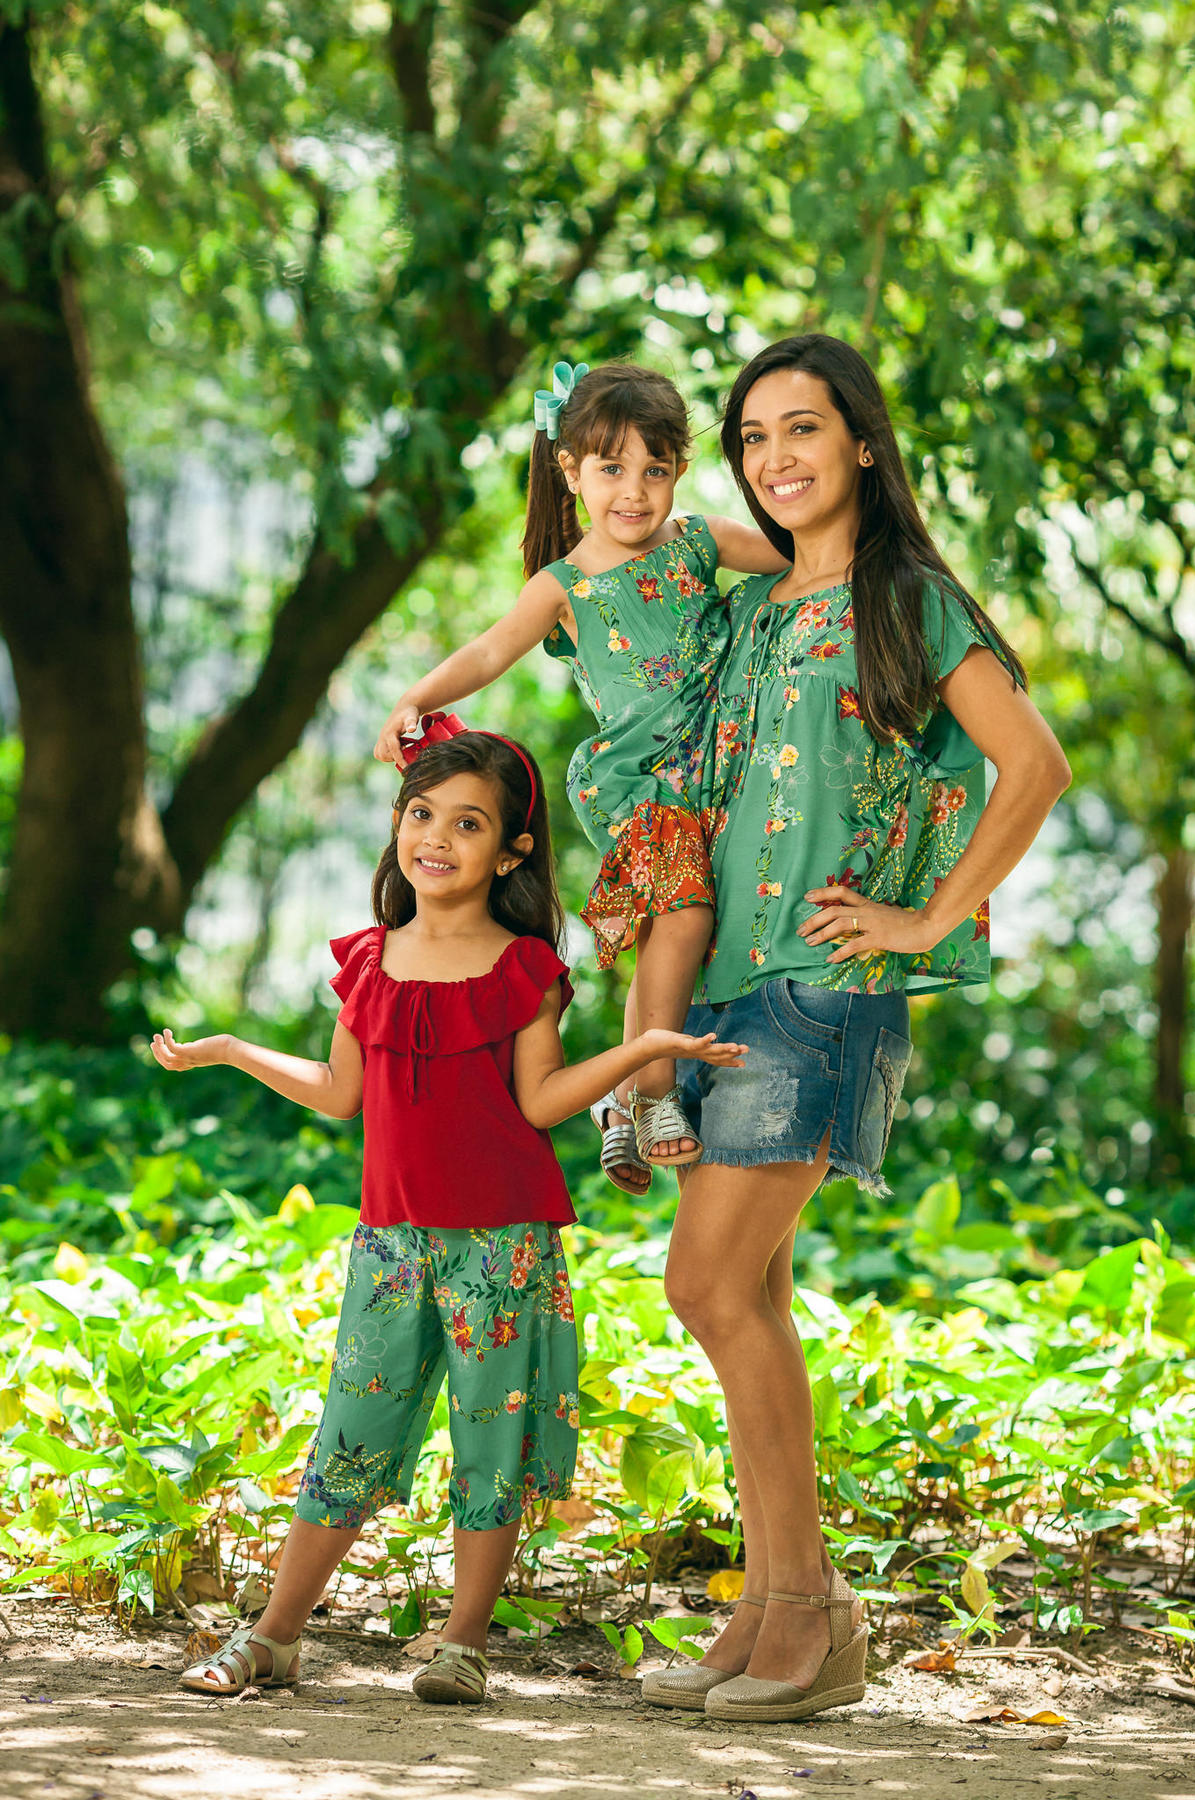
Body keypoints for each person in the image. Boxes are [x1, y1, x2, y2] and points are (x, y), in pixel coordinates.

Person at [642, 334, 1071, 1722]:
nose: (775, 457)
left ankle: (814, 1617)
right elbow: (632, 539)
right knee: (744, 1295)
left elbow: (1033, 765)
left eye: (803, 428)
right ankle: (773, 1609)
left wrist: (928, 919)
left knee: (704, 1288)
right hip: (725, 987)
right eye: (753, 436)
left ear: (865, 445)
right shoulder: (764, 609)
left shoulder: (909, 600)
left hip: (822, 993)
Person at [151, 720, 745, 1705]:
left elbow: (542, 1101)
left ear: (511, 851)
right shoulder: (371, 961)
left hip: (503, 1246)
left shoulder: (523, 969)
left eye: (467, 823)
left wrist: (648, 1053)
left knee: (491, 1442)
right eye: (421, 813)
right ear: (397, 824)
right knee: (351, 1432)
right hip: (389, 1242)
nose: (436, 835)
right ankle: (276, 1637)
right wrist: (231, 1051)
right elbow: (343, 1092)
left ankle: (464, 1643)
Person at [374, 360, 786, 1187]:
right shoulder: (565, 586)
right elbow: (490, 650)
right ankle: (658, 1091)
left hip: (725, 769)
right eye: (610, 469)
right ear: (569, 471)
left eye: (654, 470)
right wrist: (417, 695)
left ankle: (621, 1106)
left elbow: (796, 557)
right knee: (685, 914)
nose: (634, 492)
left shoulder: (701, 541)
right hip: (645, 779)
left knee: (676, 936)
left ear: (679, 470)